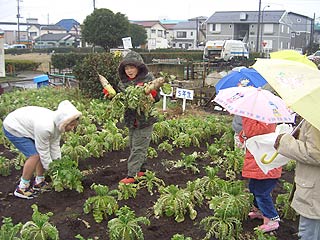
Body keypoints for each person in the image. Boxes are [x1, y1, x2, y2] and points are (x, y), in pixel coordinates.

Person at [2, 100, 82, 199]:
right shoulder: (46, 127)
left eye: (74, 125)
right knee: (34, 155)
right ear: (64, 121)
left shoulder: (58, 125)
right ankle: (22, 188)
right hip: (13, 127)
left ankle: (39, 182)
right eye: (71, 125)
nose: (72, 128)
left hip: (26, 126)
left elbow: (54, 145)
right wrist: (52, 169)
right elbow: (43, 151)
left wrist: (58, 163)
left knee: (39, 154)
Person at [103, 51, 160, 184]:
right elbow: (121, 101)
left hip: (145, 120)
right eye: (126, 68)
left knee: (138, 148)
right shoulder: (123, 83)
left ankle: (132, 175)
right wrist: (112, 96)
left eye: (132, 67)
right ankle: (142, 170)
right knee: (134, 145)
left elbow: (157, 98)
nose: (129, 71)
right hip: (131, 120)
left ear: (138, 67)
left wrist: (150, 92)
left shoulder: (148, 78)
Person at [274, 119, 320, 240]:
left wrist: (284, 142)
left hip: (315, 190)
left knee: (310, 233)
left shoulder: (316, 118)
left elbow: (315, 153)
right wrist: (300, 135)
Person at [239, 116, 281, 232]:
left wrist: (247, 118)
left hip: (265, 165)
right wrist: (243, 135)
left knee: (262, 193)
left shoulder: (265, 117)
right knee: (253, 188)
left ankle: (272, 219)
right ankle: (259, 210)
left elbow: (253, 132)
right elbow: (248, 135)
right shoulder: (257, 117)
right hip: (258, 163)